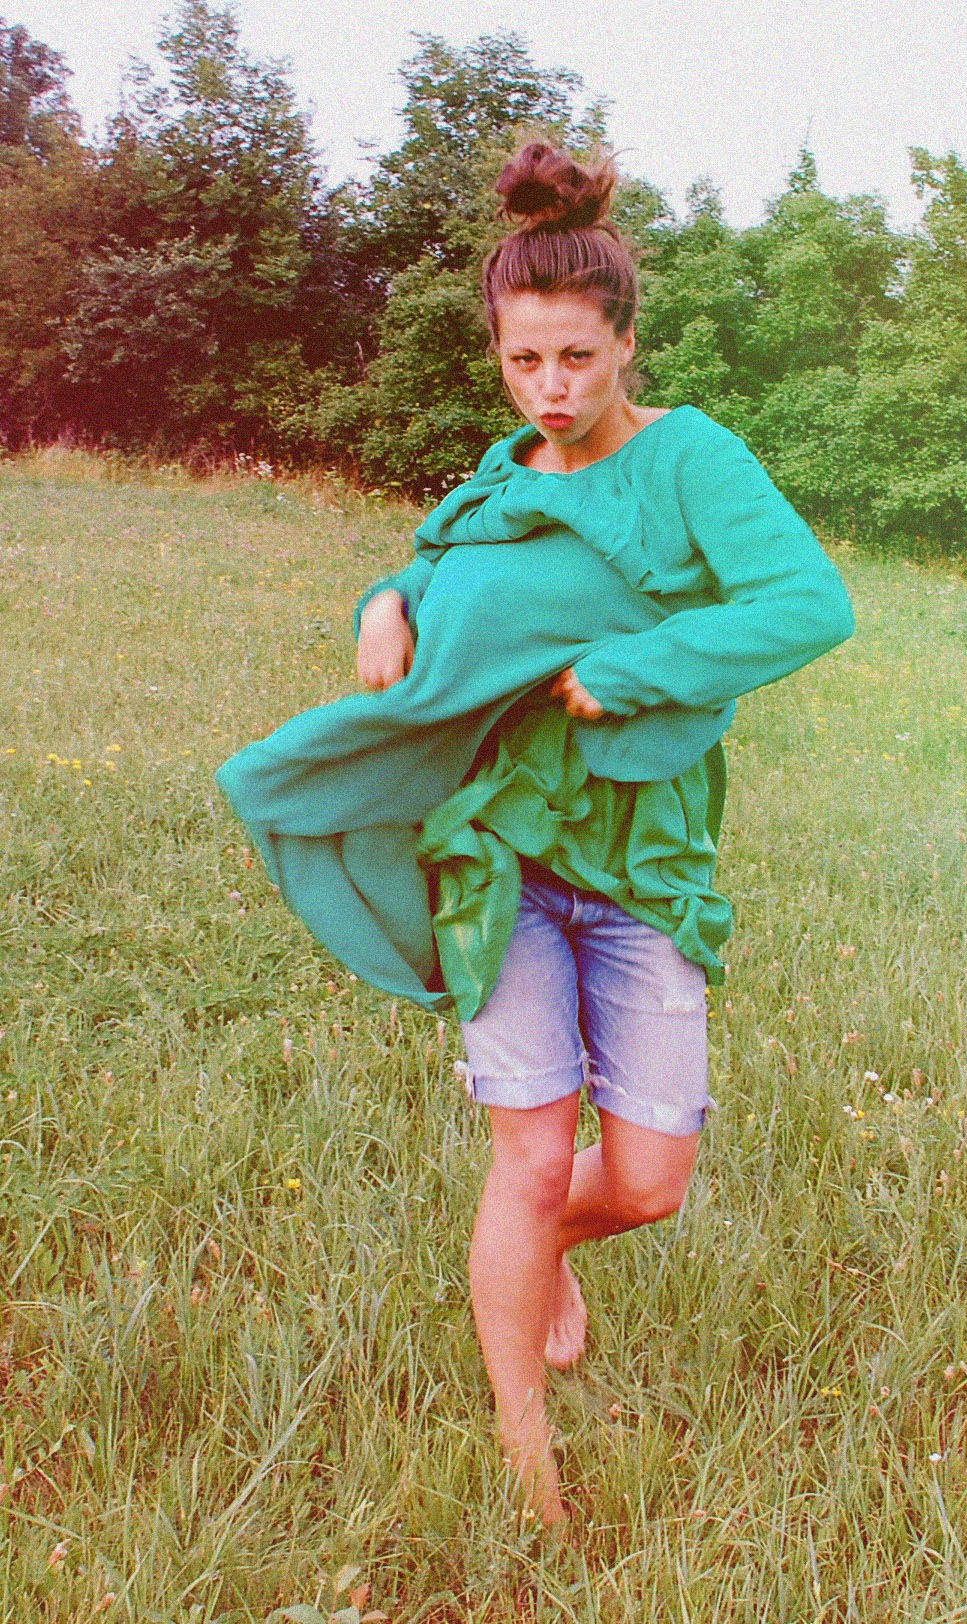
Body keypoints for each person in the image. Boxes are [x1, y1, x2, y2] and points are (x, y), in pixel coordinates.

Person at [219, 140, 853, 1528]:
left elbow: (810, 606)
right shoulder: (507, 471)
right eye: (525, 362)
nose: (552, 390)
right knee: (526, 1158)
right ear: (500, 358)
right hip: (496, 857)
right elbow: (441, 561)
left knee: (650, 1179)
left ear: (625, 344)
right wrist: (382, 601)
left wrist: (633, 668)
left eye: (576, 358)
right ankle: (526, 1452)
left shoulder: (690, 459)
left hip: (638, 863)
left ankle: (545, 1245)